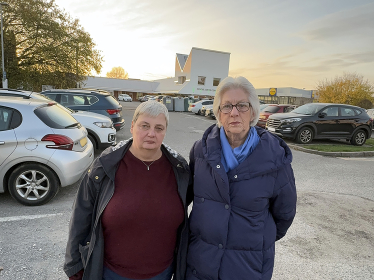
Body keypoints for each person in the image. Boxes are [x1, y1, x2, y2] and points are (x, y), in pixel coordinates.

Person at [64, 101, 190, 280]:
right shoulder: (104, 168)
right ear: (132, 127)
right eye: (144, 126)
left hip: (163, 274)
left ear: (165, 132)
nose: (151, 133)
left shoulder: (180, 170)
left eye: (159, 128)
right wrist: (74, 268)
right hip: (111, 273)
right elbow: (80, 220)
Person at [186, 76, 297, 280]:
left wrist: (257, 241)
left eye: (242, 106)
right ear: (219, 113)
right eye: (226, 106)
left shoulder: (275, 159)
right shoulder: (201, 151)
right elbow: (187, 197)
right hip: (202, 266)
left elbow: (284, 215)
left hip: (248, 268)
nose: (234, 112)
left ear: (253, 111)